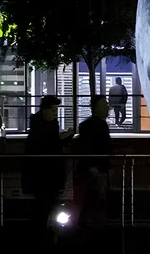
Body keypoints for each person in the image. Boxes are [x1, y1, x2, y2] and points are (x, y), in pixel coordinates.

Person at [22, 96, 74, 230]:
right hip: (46, 174)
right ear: (46, 110)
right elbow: (52, 146)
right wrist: (66, 137)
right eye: (54, 110)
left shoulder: (38, 125)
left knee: (42, 205)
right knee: (45, 204)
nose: (55, 114)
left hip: (42, 174)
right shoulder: (47, 126)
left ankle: (40, 230)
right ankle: (44, 231)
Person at [74, 95, 113, 229]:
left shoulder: (91, 125)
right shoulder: (95, 126)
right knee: (95, 199)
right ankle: (91, 227)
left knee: (93, 199)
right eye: (104, 104)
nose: (108, 107)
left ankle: (89, 226)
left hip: (97, 168)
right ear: (96, 108)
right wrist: (93, 165)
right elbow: (88, 147)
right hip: (96, 169)